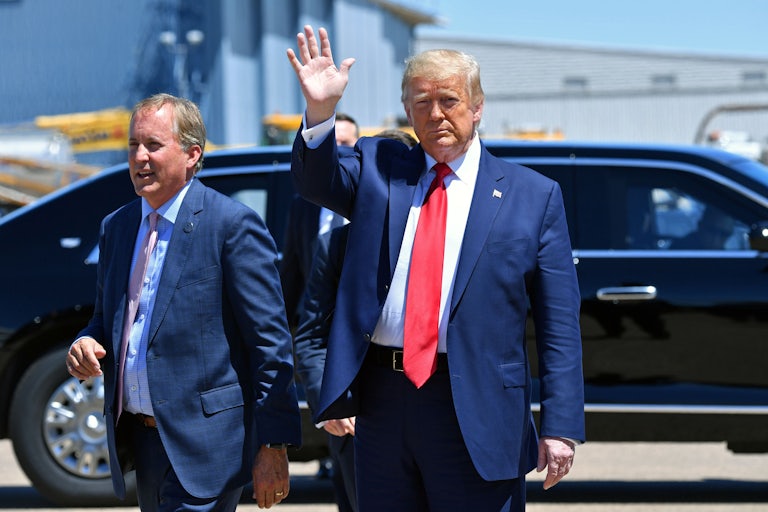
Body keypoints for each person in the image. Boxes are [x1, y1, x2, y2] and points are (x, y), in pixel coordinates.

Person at [286, 26, 585, 511]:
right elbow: (315, 180)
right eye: (421, 102)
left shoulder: (533, 196)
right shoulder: (381, 167)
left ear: (478, 106)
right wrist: (321, 111)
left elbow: (559, 326)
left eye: (449, 99)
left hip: (481, 406)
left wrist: (561, 425)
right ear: (407, 110)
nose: (436, 113)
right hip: (385, 403)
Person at [65, 93, 301, 511]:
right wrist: (85, 341)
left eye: (153, 145)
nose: (139, 157)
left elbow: (270, 345)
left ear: (192, 154)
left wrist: (274, 444)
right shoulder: (117, 227)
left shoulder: (230, 225)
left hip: (208, 446)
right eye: (133, 146)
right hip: (142, 442)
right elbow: (105, 320)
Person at [293, 129, 417, 512]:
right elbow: (311, 335)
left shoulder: (443, 240)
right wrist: (330, 404)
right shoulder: (336, 246)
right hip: (355, 424)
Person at [280, 112, 359, 328]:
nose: (339, 149)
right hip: (317, 321)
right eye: (334, 143)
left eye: (346, 143)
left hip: (360, 322)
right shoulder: (303, 204)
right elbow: (292, 269)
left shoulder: (369, 198)